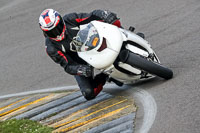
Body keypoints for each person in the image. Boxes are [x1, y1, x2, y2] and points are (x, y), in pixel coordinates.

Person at [39, 9, 122, 100]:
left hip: (93, 44)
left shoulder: (70, 19)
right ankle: (106, 76)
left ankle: (125, 36)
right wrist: (80, 69)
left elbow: (91, 16)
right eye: (51, 32)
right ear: (44, 32)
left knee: (113, 21)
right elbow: (68, 66)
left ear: (61, 22)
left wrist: (104, 15)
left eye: (57, 28)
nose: (56, 34)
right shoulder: (51, 48)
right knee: (89, 93)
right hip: (79, 62)